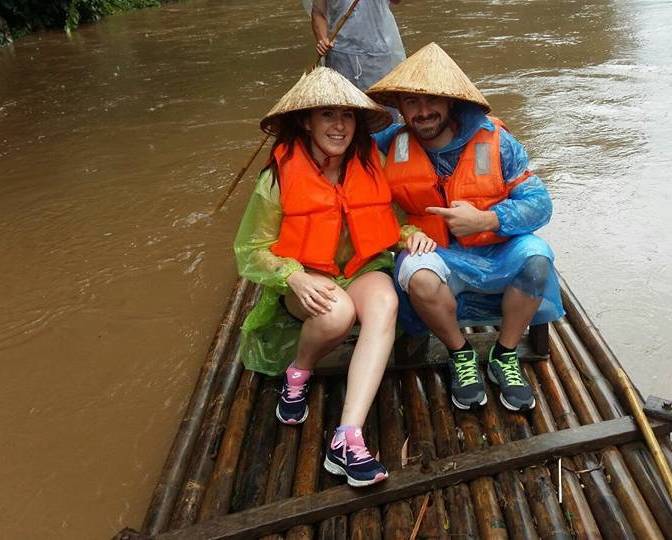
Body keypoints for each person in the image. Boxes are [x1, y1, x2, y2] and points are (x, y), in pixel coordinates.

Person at [234, 67, 435, 487]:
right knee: (335, 314)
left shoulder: (372, 162)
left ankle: (347, 436)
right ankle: (299, 371)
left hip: (361, 268)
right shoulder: (275, 179)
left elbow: (390, 220)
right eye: (327, 115)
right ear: (306, 121)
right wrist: (293, 276)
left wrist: (411, 235)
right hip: (304, 276)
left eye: (346, 115)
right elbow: (250, 251)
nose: (339, 126)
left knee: (385, 303)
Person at [367, 43, 565, 412]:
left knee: (538, 260)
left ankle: (503, 354)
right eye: (411, 102)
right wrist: (404, 233)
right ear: (399, 105)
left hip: (498, 248)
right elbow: (355, 198)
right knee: (419, 277)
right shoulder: (384, 146)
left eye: (432, 101)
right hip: (434, 252)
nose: (423, 112)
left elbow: (540, 204)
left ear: (451, 103)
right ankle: (461, 354)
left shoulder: (498, 141)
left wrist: (487, 219)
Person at [309, 0, 405, 91]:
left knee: (380, 103)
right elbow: (318, 13)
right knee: (341, 104)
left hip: (377, 55)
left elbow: (396, 1)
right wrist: (323, 40)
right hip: (339, 55)